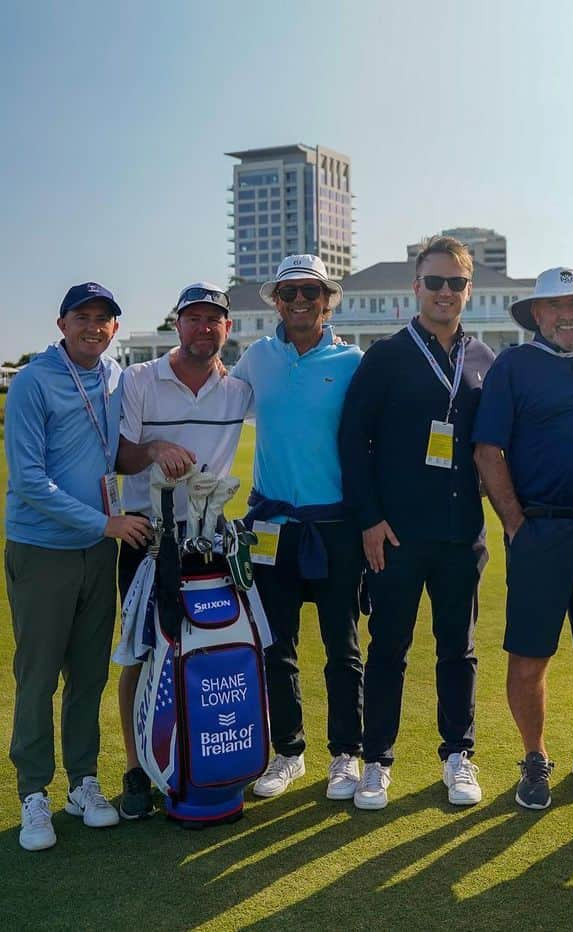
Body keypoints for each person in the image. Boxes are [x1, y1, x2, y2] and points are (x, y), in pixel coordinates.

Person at [339, 237, 494, 809]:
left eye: (455, 283)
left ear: (468, 290)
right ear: (416, 288)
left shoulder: (482, 359)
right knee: (389, 650)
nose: (445, 293)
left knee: (459, 648)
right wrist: (370, 521)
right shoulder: (385, 356)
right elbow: (353, 443)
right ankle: (377, 759)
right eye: (435, 282)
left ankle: (459, 755)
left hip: (460, 535)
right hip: (396, 535)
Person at [473, 268, 573, 810]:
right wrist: (516, 523)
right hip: (541, 529)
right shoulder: (514, 366)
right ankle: (535, 758)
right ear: (536, 315)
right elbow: (487, 451)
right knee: (529, 655)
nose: (568, 313)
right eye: (555, 305)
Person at [6, 283, 153, 851]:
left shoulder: (116, 377)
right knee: (39, 676)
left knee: (89, 673)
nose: (94, 327)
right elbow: (28, 481)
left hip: (96, 550)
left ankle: (83, 782)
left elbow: (117, 451)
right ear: (62, 322)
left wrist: (157, 448)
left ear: (115, 328)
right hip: (45, 546)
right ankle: (33, 792)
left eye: (104, 319)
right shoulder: (33, 382)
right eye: (83, 317)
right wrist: (105, 525)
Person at [111, 282, 253, 819]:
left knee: (203, 654)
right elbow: (121, 457)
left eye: (213, 319)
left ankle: (193, 761)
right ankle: (134, 768)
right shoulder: (141, 379)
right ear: (177, 325)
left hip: (211, 544)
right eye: (192, 319)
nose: (203, 328)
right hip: (147, 541)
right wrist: (154, 449)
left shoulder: (238, 390)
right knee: (141, 653)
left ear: (227, 328)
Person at [231, 255, 365, 802]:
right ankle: (289, 752)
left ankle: (346, 754)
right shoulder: (256, 357)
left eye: (312, 292)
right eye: (290, 294)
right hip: (270, 526)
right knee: (276, 646)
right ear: (277, 302)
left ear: (328, 299)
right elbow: (214, 403)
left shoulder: (354, 361)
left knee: (343, 647)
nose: (301, 301)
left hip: (334, 526)